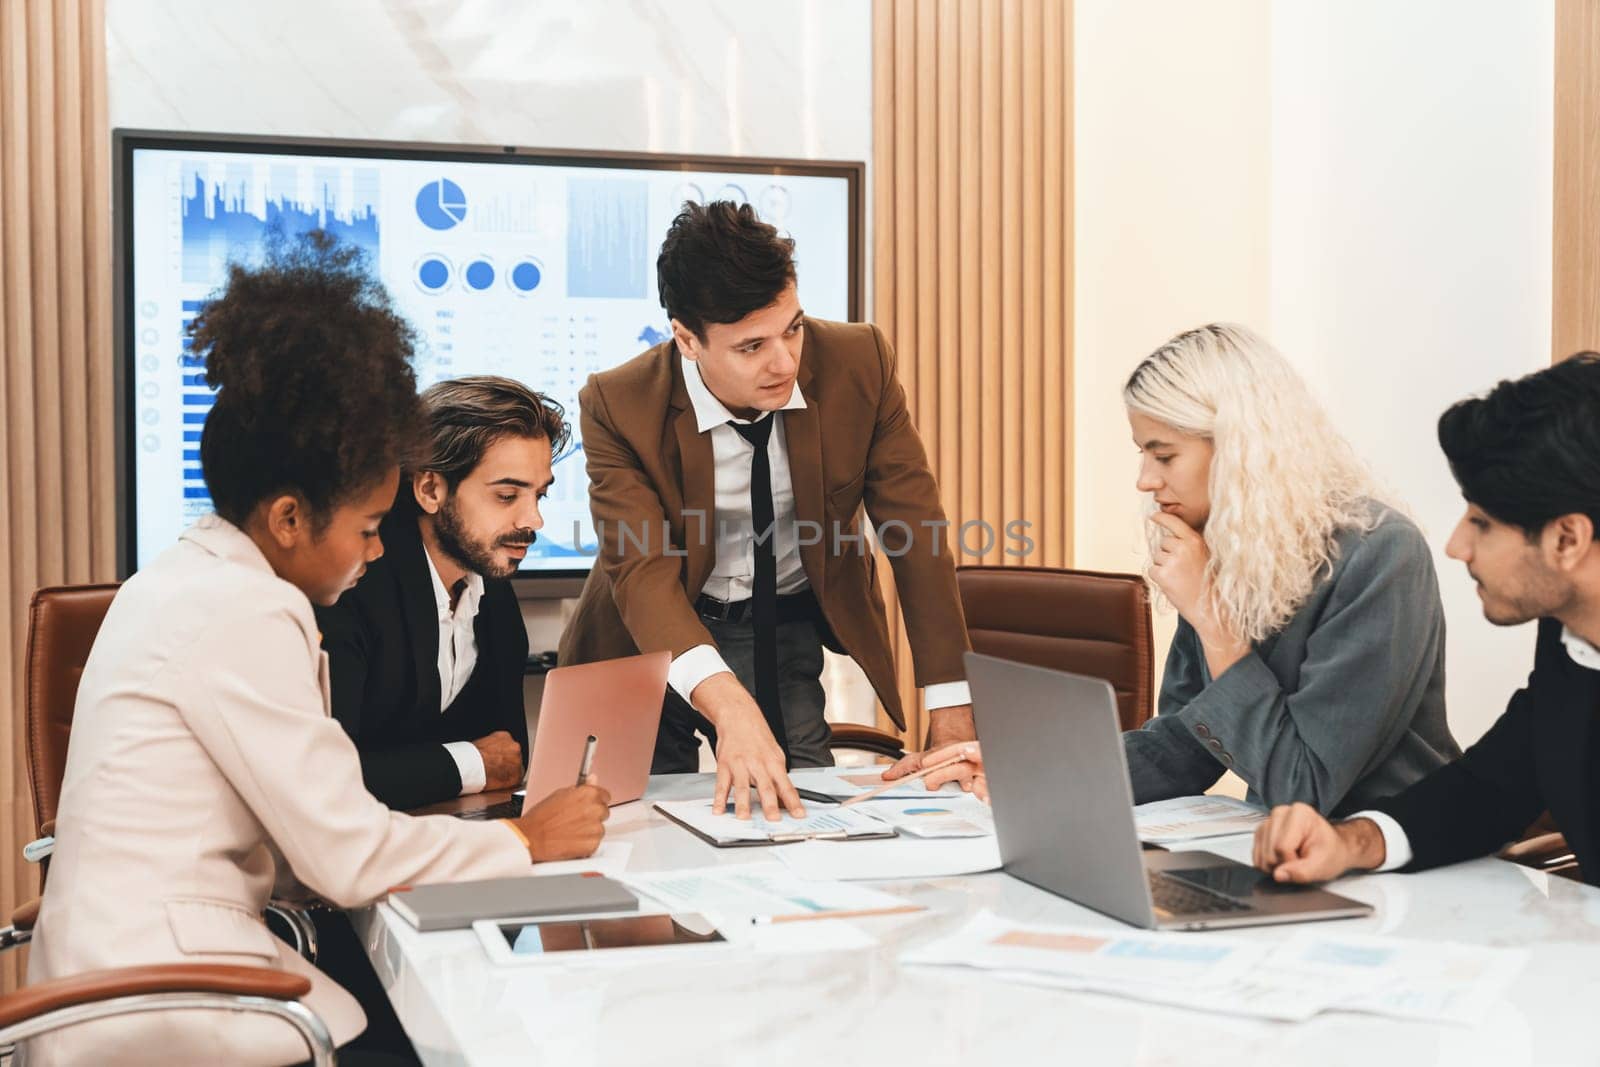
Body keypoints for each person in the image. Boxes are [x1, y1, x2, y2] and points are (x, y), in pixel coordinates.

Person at [23, 232, 610, 1067]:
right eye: (369, 529)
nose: (377, 553)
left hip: (145, 965)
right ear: (291, 518)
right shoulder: (243, 610)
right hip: (159, 1002)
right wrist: (527, 840)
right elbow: (348, 853)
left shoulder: (199, 577)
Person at [889, 323, 1460, 814]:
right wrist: (1031, 769)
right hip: (1287, 851)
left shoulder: (1380, 554)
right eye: (1143, 453)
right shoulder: (1227, 543)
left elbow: (1303, 785)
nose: (1145, 480)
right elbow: (1187, 745)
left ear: (1242, 449)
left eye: (1163, 455)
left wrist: (1214, 621)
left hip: (1401, 861)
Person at [558, 200, 977, 821]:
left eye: (793, 328)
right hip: (646, 638)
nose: (784, 362)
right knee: (636, 825)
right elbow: (641, 572)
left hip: (779, 628)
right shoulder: (617, 403)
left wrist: (951, 707)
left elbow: (914, 533)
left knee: (808, 817)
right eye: (752, 346)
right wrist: (727, 703)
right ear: (687, 339)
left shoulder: (859, 363)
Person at [1255, 354, 1600, 886]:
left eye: (1481, 522)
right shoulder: (1568, 632)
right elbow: (1493, 785)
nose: (1456, 545)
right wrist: (1350, 842)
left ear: (1566, 540)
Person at [315, 376, 569, 811]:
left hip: (449, 835)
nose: (534, 520)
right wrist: (468, 762)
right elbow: (327, 776)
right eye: (507, 495)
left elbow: (509, 758)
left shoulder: (492, 592)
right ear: (430, 489)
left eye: (539, 495)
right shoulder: (351, 587)